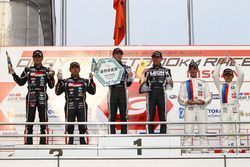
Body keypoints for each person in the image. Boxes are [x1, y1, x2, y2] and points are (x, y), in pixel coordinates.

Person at [8, 50, 55, 144]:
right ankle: (28, 142)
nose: (37, 58)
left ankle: (43, 142)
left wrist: (52, 77)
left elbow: (51, 86)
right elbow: (21, 82)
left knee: (43, 119)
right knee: (30, 119)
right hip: (31, 96)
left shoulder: (46, 70)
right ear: (33, 58)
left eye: (39, 57)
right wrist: (13, 73)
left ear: (42, 58)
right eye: (35, 57)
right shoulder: (28, 70)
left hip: (42, 96)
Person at [55, 62, 96, 144]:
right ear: (70, 69)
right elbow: (57, 92)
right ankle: (70, 140)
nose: (75, 69)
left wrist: (91, 80)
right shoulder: (65, 81)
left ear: (79, 69)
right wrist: (59, 80)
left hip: (82, 105)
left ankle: (82, 140)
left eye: (76, 67)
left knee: (82, 123)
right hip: (70, 105)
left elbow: (93, 91)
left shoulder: (85, 81)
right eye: (73, 68)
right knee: (70, 124)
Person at [178, 61, 211, 153]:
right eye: (191, 69)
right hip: (190, 108)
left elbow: (209, 96)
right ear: (188, 71)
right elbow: (180, 97)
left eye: (194, 68)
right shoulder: (184, 83)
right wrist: (187, 101)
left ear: (197, 70)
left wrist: (203, 101)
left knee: (203, 130)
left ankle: (204, 149)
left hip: (201, 108)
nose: (192, 70)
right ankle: (187, 149)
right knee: (188, 129)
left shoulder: (203, 83)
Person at [212, 57, 244, 153]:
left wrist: (234, 63)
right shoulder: (220, 85)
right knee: (224, 130)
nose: (228, 77)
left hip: (234, 109)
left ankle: (237, 149)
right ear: (223, 76)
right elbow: (214, 76)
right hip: (224, 109)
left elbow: (241, 74)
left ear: (232, 76)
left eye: (229, 75)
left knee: (236, 130)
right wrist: (219, 64)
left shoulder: (237, 84)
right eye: (226, 75)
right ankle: (225, 150)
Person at [144, 51, 173, 134]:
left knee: (163, 116)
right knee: (150, 116)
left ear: (161, 59)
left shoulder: (167, 70)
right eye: (154, 57)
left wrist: (163, 88)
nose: (155, 59)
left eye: (157, 57)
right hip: (151, 95)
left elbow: (170, 85)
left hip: (161, 94)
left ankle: (163, 135)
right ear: (152, 59)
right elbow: (145, 85)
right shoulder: (148, 71)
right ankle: (150, 135)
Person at [108, 48, 133, 134]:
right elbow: (105, 81)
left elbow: (129, 83)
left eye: (120, 54)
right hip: (113, 91)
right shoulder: (109, 67)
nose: (118, 55)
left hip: (123, 91)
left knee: (124, 115)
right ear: (113, 55)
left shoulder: (127, 67)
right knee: (112, 116)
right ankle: (112, 135)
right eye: (116, 53)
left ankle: (124, 135)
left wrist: (130, 76)